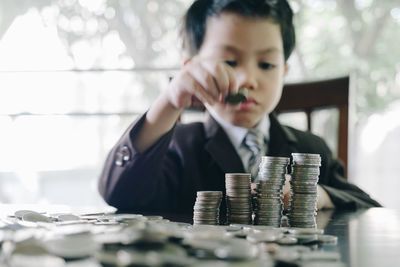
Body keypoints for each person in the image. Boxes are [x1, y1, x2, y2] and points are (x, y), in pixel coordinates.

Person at [98, 0, 381, 217]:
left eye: (266, 65)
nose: (247, 79)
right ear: (193, 70)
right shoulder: (178, 146)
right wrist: (168, 103)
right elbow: (118, 194)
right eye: (229, 62)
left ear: (284, 72)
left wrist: (318, 196)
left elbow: (368, 206)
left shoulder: (311, 148)